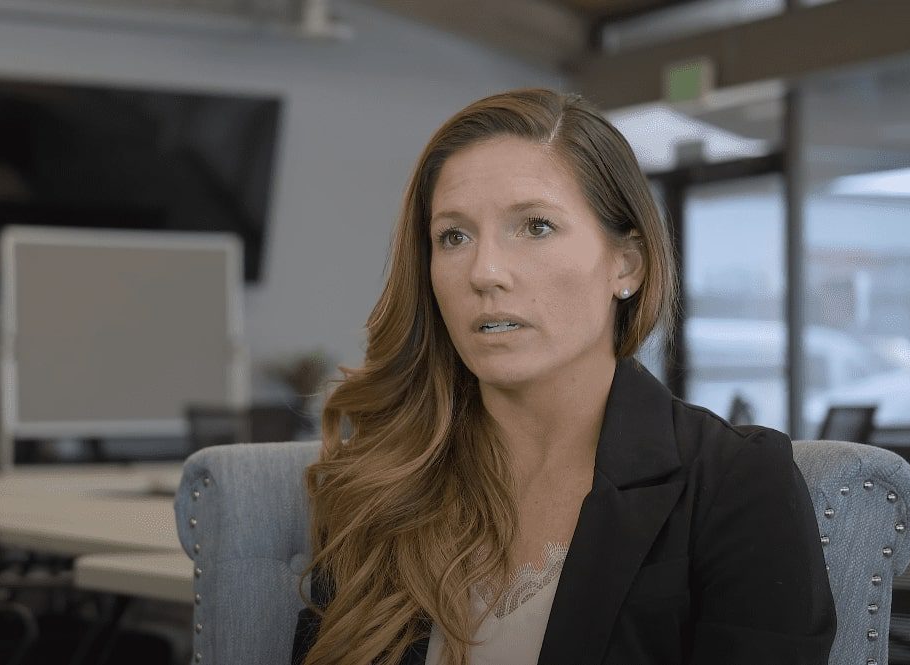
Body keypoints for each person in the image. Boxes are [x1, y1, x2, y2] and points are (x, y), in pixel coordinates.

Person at [290, 88, 835, 665]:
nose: (485, 271)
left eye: (535, 226)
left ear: (626, 264)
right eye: (454, 236)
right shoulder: (387, 474)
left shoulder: (735, 482)